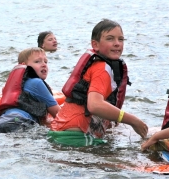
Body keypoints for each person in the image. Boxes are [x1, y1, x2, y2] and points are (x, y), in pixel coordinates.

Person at [48, 19, 148, 147]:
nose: (117, 43)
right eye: (110, 39)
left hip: (59, 133)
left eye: (121, 39)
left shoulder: (99, 65)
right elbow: (94, 105)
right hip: (74, 137)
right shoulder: (102, 69)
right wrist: (133, 121)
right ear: (95, 45)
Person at [0, 47, 60, 134]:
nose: (44, 64)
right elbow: (57, 114)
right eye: (37, 61)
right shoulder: (36, 83)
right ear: (24, 65)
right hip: (19, 122)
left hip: (0, 122)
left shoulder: (15, 84)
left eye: (45, 61)